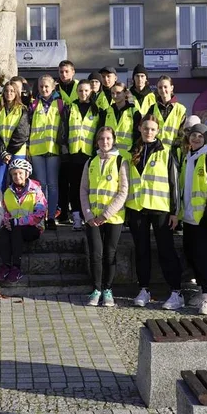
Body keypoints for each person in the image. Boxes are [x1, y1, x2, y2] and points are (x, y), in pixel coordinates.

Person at [127, 115, 185, 310]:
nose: (149, 132)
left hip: (161, 208)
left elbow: (174, 184)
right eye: (146, 128)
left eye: (152, 129)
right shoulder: (132, 152)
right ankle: (144, 289)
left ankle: (176, 291)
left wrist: (175, 212)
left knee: (166, 250)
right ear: (139, 128)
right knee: (141, 251)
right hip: (137, 208)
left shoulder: (166, 152)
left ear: (158, 131)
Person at [79, 126, 129, 307]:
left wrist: (106, 214)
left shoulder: (120, 161)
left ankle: (108, 290)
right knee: (96, 254)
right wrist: (89, 214)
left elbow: (123, 191)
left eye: (108, 138)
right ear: (97, 141)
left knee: (110, 254)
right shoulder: (90, 161)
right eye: (101, 139)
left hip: (113, 218)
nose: (105, 142)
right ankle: (96, 289)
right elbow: (83, 190)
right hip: (93, 218)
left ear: (113, 140)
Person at [177, 122, 207, 315]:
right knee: (192, 255)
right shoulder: (189, 157)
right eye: (193, 135)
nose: (196, 139)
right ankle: (201, 291)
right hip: (189, 217)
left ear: (206, 138)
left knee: (204, 258)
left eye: (200, 136)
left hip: (203, 218)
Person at [0, 157, 47, 284]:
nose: (17, 176)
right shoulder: (7, 192)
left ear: (26, 174)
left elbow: (39, 214)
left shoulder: (36, 190)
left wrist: (17, 222)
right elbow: (6, 211)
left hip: (33, 228)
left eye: (20, 173)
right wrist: (6, 222)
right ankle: (5, 266)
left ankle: (16, 268)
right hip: (14, 226)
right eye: (14, 174)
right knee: (4, 232)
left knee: (16, 230)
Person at [61, 80, 99, 231]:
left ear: (91, 92)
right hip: (74, 154)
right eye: (81, 90)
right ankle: (76, 217)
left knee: (89, 187)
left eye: (86, 91)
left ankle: (88, 216)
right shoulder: (71, 107)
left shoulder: (97, 109)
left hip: (90, 155)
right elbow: (64, 129)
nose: (83, 93)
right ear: (77, 92)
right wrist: (65, 149)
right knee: (75, 187)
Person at [28, 75, 65, 229]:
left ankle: (51, 217)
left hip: (53, 149)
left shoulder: (60, 104)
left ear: (53, 87)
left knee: (52, 185)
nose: (44, 89)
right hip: (36, 150)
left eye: (47, 87)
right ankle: (41, 215)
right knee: (41, 185)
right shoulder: (34, 104)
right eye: (41, 86)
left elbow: (64, 126)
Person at [0, 80, 31, 190]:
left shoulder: (22, 110)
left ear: (17, 93)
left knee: (18, 183)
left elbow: (22, 133)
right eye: (6, 91)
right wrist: (2, 151)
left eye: (12, 91)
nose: (9, 93)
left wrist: (9, 151)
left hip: (17, 152)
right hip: (0, 152)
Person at [101, 82, 139, 161]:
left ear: (125, 93)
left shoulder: (134, 112)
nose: (115, 96)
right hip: (109, 155)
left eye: (118, 93)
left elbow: (137, 135)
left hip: (127, 155)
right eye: (112, 93)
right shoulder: (107, 112)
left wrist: (135, 151)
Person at [150, 76, 187, 149]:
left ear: (171, 88)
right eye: (160, 87)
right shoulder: (152, 108)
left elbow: (182, 134)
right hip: (156, 151)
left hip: (173, 153)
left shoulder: (180, 109)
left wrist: (174, 146)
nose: (163, 90)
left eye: (165, 87)